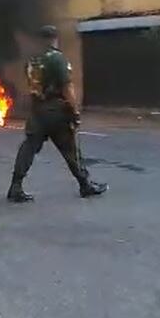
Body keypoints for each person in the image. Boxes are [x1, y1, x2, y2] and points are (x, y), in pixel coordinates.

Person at [7, 25, 108, 203]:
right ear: (54, 39)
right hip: (56, 111)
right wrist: (75, 111)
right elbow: (67, 87)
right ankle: (85, 184)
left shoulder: (32, 61)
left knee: (29, 147)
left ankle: (16, 186)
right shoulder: (57, 58)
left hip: (37, 110)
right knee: (70, 149)